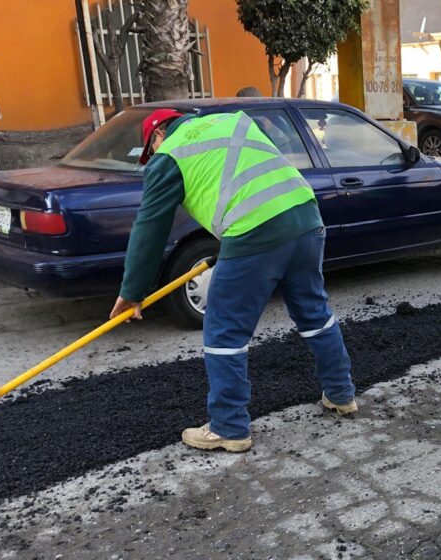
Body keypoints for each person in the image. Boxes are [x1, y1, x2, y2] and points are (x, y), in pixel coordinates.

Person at [109, 108, 357, 453]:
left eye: (151, 149)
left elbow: (150, 228)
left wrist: (132, 292)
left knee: (224, 329)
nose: (153, 156)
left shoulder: (168, 156)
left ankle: (229, 426)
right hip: (305, 216)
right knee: (314, 312)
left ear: (157, 136)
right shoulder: (232, 121)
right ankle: (341, 394)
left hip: (255, 233)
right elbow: (247, 177)